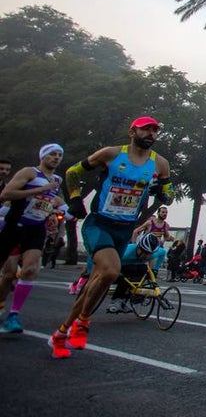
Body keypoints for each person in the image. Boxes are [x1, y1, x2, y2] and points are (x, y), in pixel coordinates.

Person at [51, 116, 174, 358]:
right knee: (110, 271)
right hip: (100, 224)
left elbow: (169, 195)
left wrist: (163, 192)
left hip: (124, 229)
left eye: (155, 130)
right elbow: (72, 172)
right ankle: (84, 322)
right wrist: (75, 199)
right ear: (132, 132)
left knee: (95, 284)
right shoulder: (110, 154)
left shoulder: (160, 164)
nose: (151, 134)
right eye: (146, 129)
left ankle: (62, 332)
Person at [0, 144, 66, 334]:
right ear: (43, 156)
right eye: (52, 154)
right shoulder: (29, 172)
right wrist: (39, 190)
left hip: (37, 228)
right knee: (8, 273)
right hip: (15, 225)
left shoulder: (57, 180)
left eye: (59, 155)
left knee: (29, 270)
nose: (56, 158)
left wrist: (67, 211)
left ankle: (13, 315)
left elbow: (54, 199)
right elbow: (6, 194)